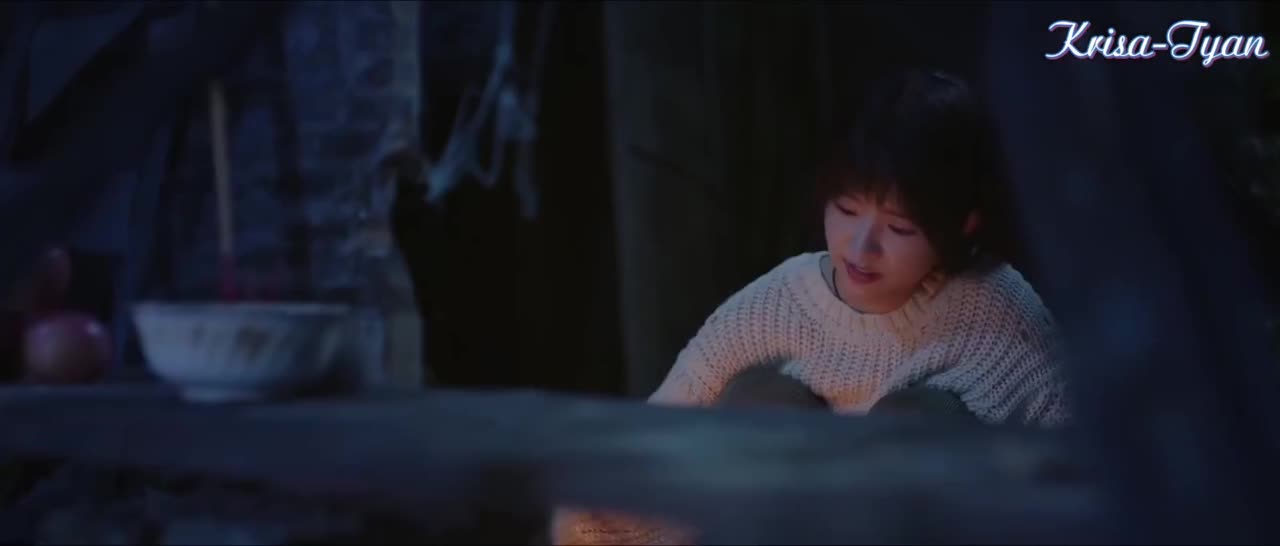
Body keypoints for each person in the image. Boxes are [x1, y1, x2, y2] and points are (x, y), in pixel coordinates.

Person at [550, 68, 1070, 545]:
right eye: (846, 209)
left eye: (899, 228)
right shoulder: (773, 309)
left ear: (964, 225)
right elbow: (660, 435)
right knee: (764, 400)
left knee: (917, 423)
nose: (861, 247)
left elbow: (1078, 469)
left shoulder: (1000, 313)